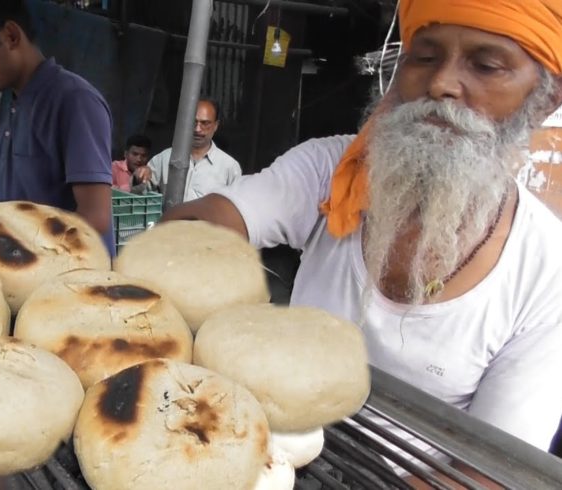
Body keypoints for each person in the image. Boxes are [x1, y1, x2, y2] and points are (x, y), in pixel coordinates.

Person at [163, 0, 562, 481]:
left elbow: (493, 472)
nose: (441, 84)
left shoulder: (547, 272)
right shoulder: (329, 172)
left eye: (486, 65)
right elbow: (202, 225)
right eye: (425, 57)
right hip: (271, 454)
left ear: (545, 99)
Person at [0, 0, 115, 254]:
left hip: (66, 281)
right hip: (14, 269)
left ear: (11, 36)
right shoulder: (8, 101)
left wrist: (25, 258)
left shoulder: (75, 101)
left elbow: (95, 219)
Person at [147, 97, 242, 201]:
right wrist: (140, 178)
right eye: (194, 122)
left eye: (205, 123)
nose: (197, 129)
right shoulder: (163, 158)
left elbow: (235, 208)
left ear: (216, 125)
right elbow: (140, 196)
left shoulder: (229, 167)